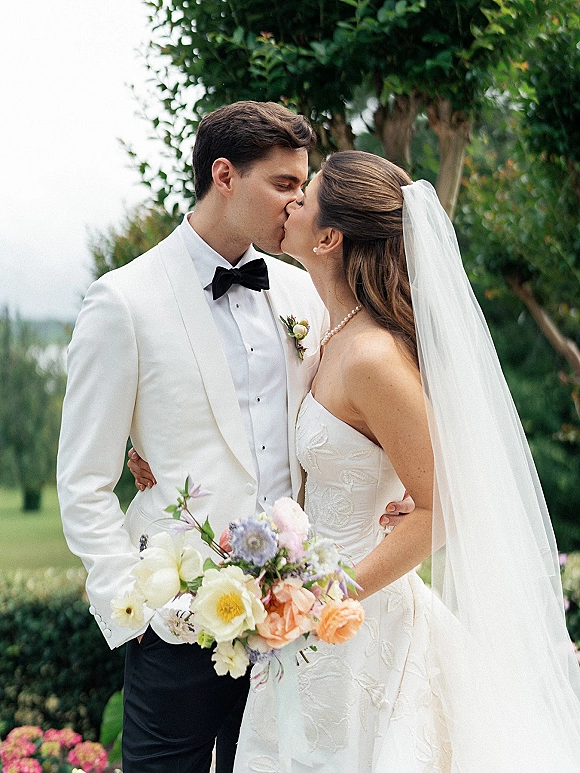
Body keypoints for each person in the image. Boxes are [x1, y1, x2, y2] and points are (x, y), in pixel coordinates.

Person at [56, 104, 410, 773]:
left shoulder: (304, 291)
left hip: (297, 627)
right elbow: (82, 480)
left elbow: (349, 418)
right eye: (283, 184)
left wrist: (398, 492)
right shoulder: (122, 302)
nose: (298, 201)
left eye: (302, 185)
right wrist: (136, 606)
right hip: (179, 626)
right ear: (224, 174)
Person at [226, 151, 580, 772]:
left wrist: (326, 595)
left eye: (303, 197)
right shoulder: (330, 335)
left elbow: (443, 508)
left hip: (359, 623)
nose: (291, 204)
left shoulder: (371, 357)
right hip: (312, 624)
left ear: (330, 236)